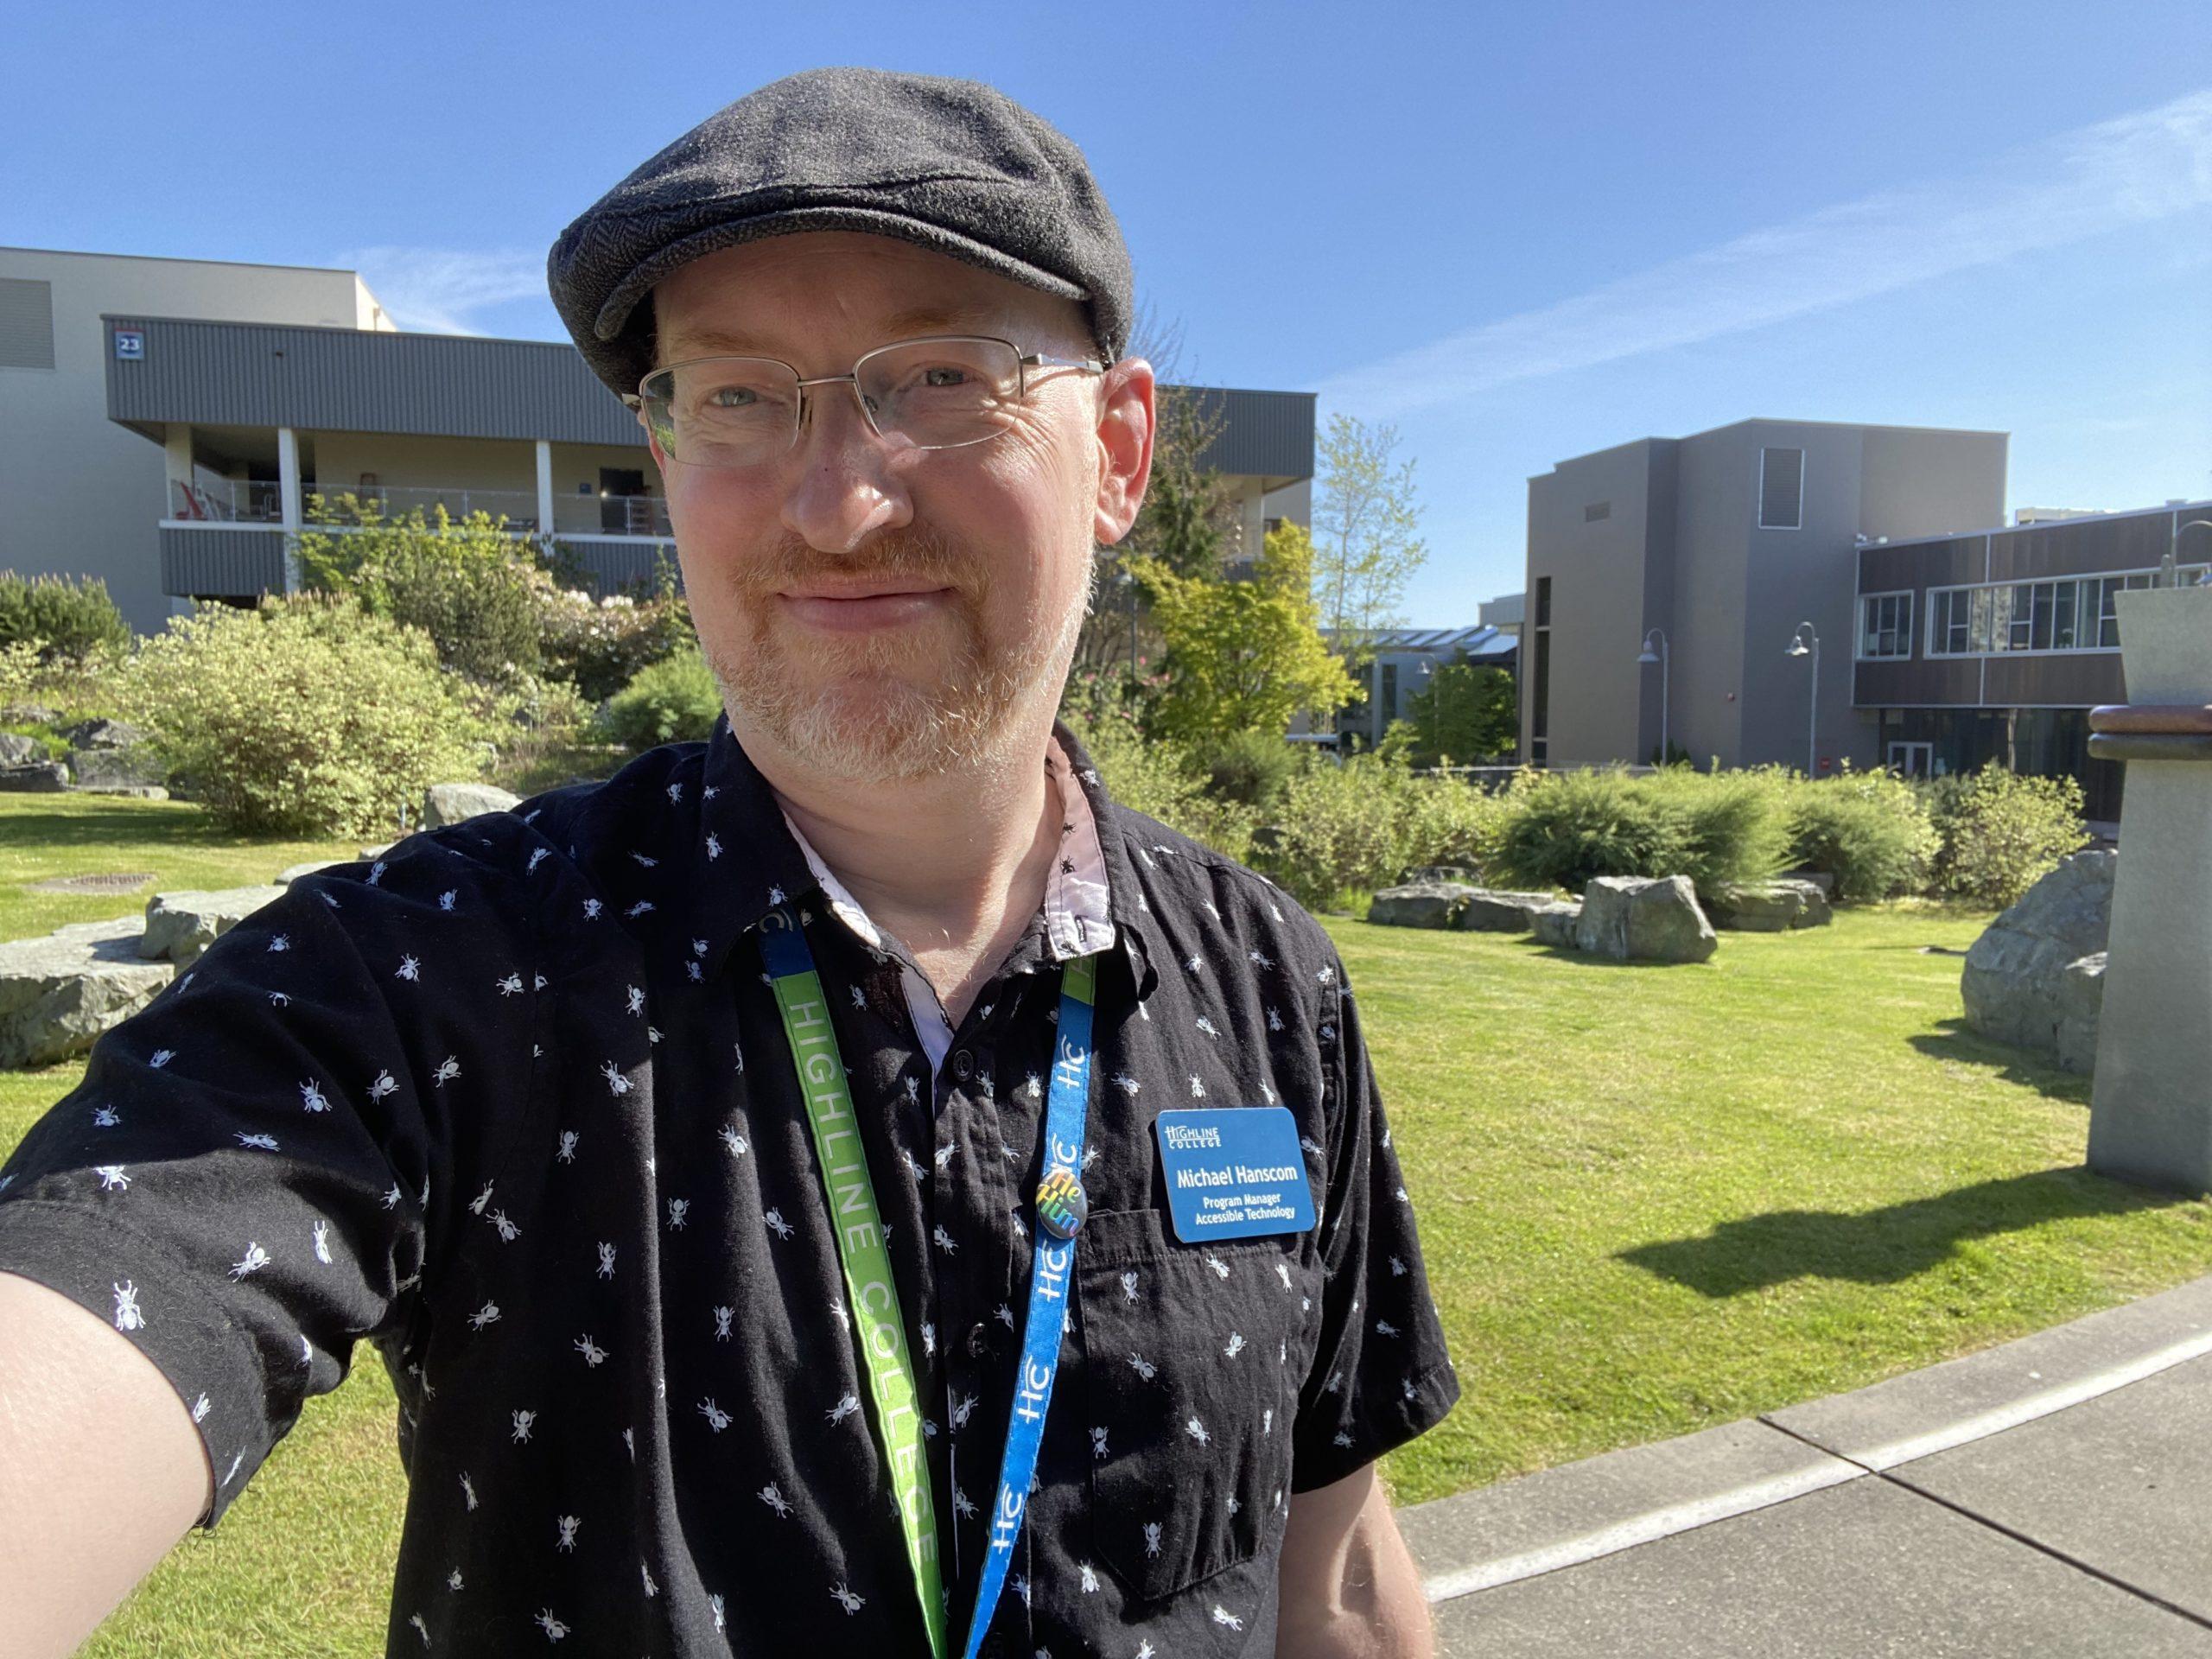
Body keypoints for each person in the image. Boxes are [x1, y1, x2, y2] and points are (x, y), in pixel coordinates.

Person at [0, 67, 1457, 1657]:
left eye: (942, 378)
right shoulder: (423, 980)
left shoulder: (1268, 979)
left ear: (1115, 454)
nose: (836, 505)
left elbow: (1333, 1557)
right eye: (738, 395)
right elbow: (107, 1286)